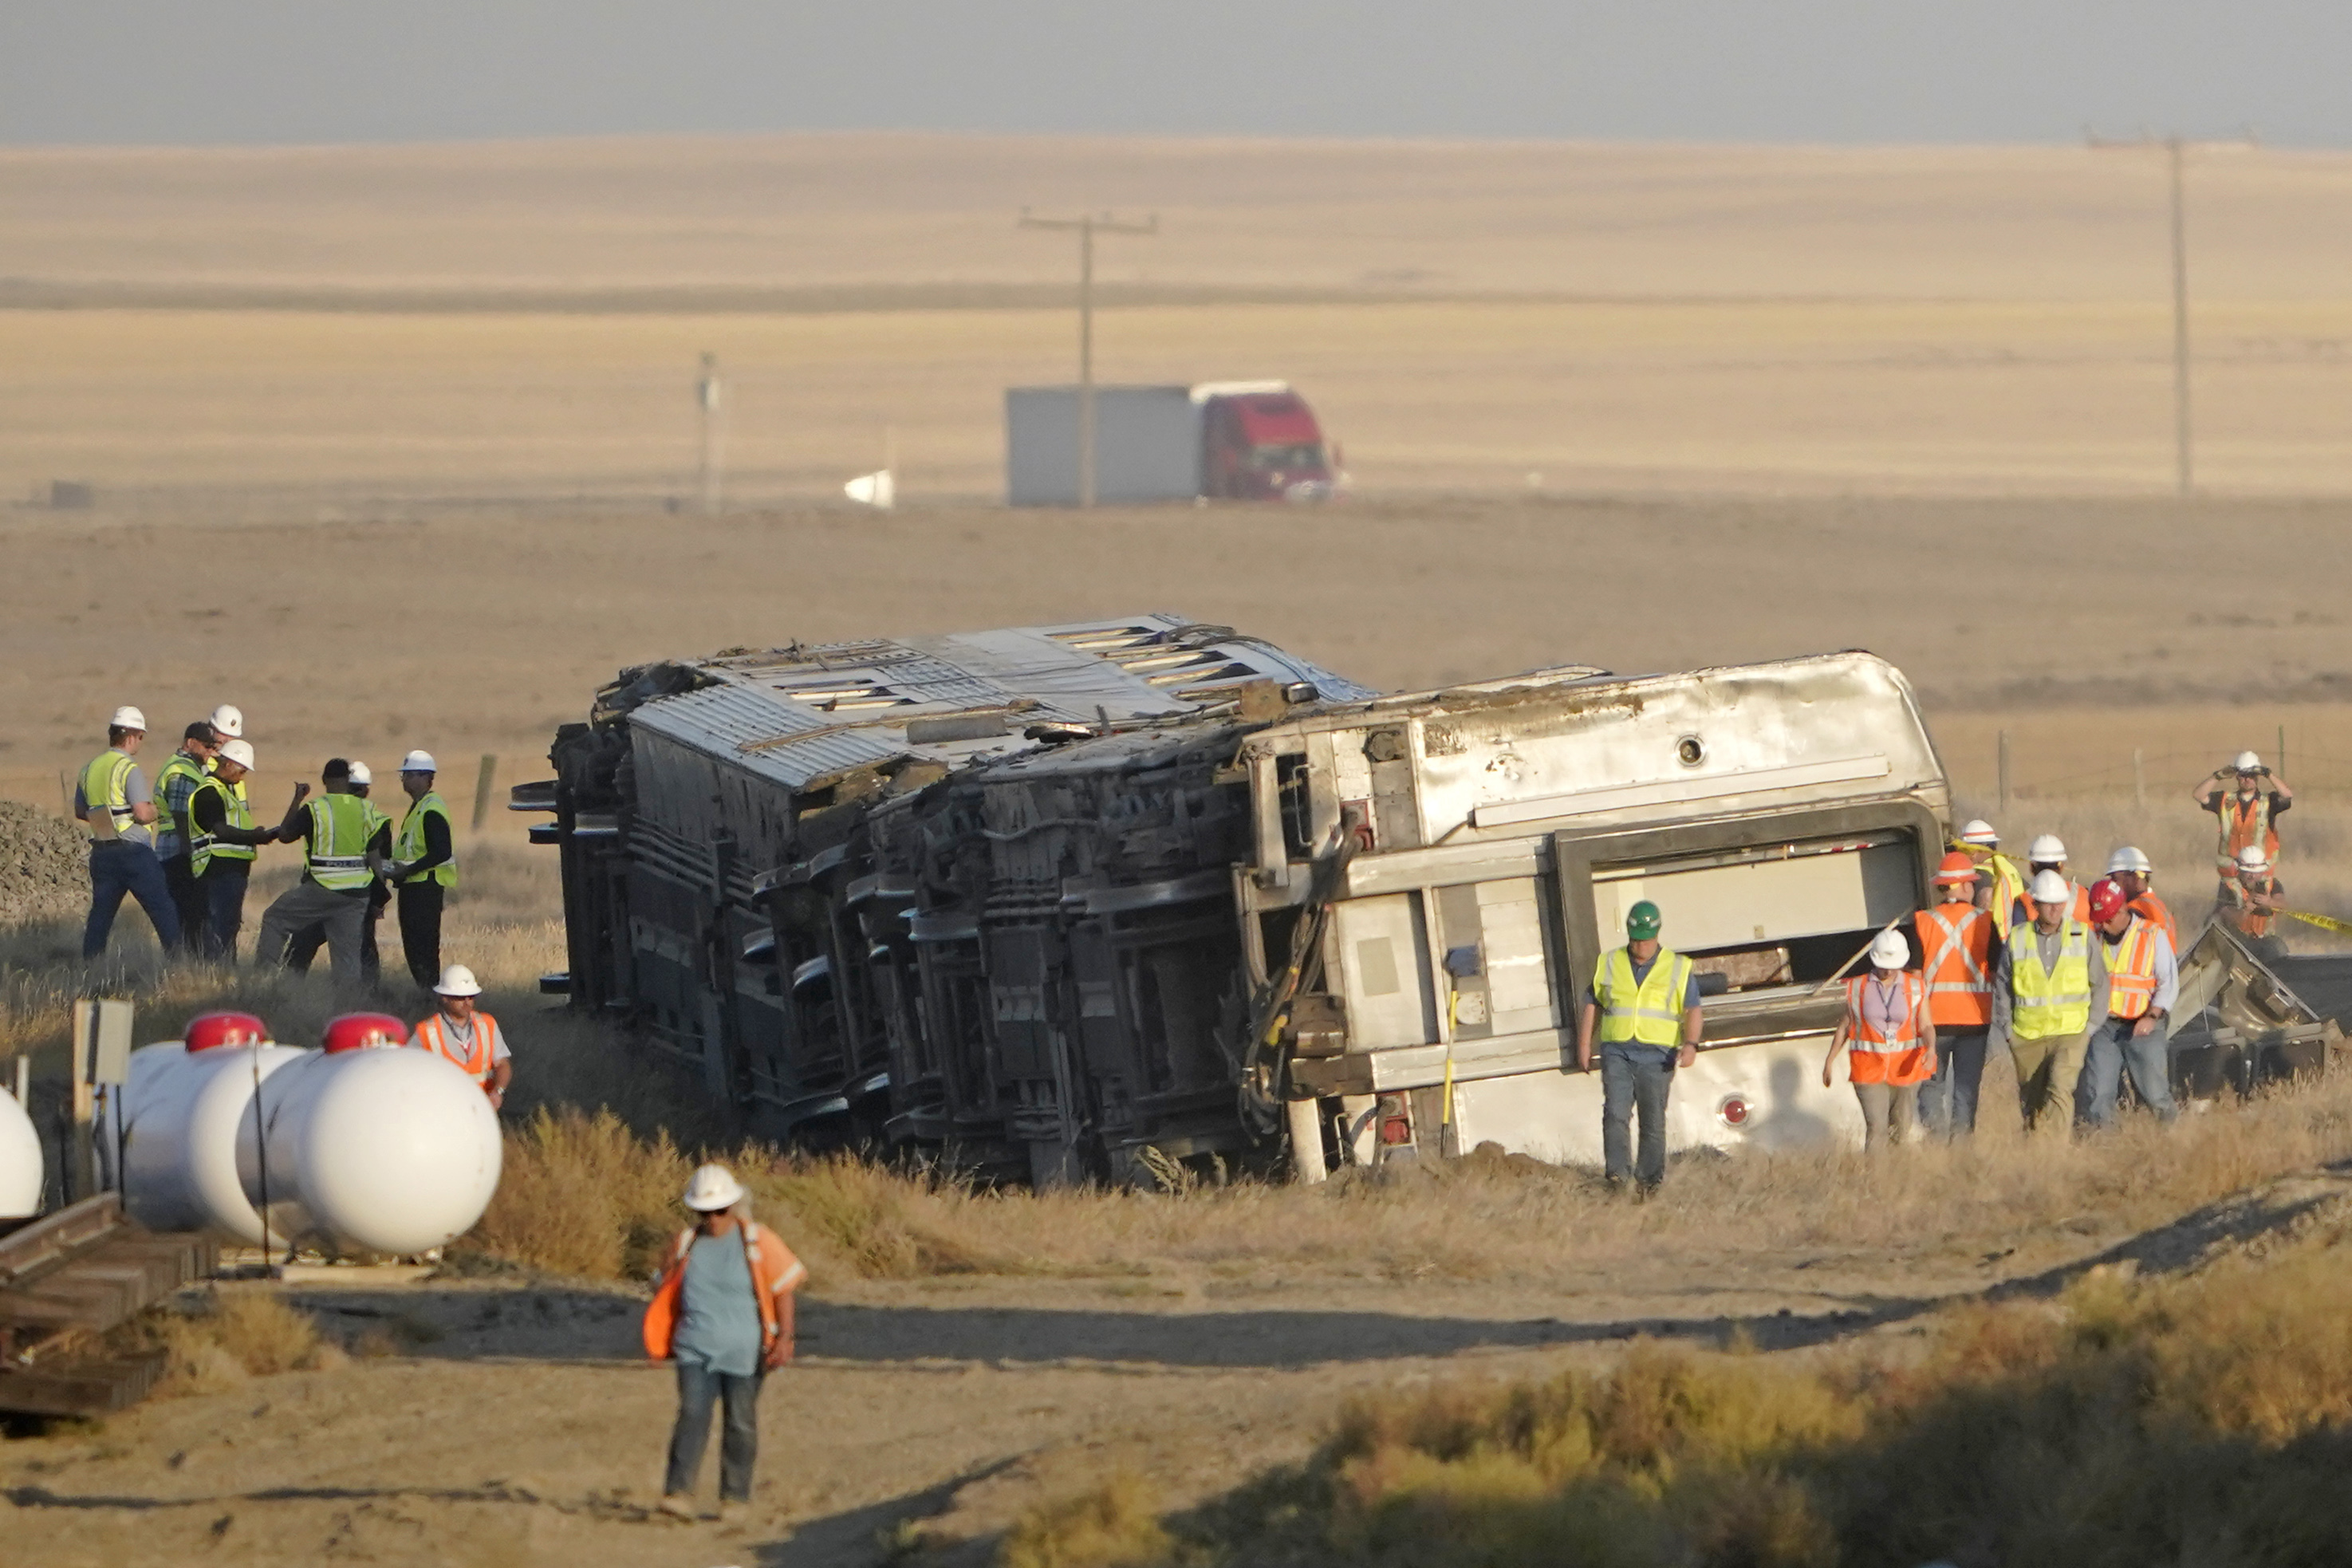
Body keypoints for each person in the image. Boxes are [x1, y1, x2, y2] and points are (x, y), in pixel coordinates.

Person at [642, 1164, 806, 1523]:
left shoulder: (759, 1240)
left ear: (732, 1206)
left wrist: (785, 1338)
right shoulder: (684, 1243)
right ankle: (678, 1494)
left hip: (746, 1353)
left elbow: (784, 1287)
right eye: (704, 1212)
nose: (713, 1218)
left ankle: (734, 1499)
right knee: (692, 1415)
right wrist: (659, 1338)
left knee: (740, 1423)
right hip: (693, 1348)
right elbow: (661, 1288)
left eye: (719, 1210)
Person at [1574, 900, 1703, 1193]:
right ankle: (1617, 1177)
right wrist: (1584, 1045)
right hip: (1617, 1050)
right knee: (1616, 1113)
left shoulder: (1678, 967)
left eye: (1644, 940)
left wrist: (1691, 1044)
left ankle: (1648, 1182)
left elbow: (1692, 1009)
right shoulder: (1609, 962)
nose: (1639, 945)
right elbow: (1592, 1003)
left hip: (1658, 1055)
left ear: (1656, 935)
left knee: (1652, 1119)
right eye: (1634, 939)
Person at [1990, 869, 2107, 1133]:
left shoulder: (2082, 936)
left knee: (2060, 1088)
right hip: (2027, 1036)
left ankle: (2056, 1156)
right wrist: (2008, 1031)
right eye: (2048, 903)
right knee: (2032, 1105)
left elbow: (2100, 984)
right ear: (2035, 905)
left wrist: (2089, 1029)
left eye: (2059, 904)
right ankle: (2036, 1157)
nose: (2055, 910)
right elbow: (2003, 987)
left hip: (2071, 1033)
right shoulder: (2017, 939)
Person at [252, 758, 387, 987]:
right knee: (347, 961)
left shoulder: (315, 809)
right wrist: (380, 896)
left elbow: (284, 835)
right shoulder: (367, 810)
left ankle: (262, 982)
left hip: (322, 889)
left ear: (324, 780)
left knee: (274, 919)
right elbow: (375, 857)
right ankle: (350, 1008)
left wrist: (297, 799)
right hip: (357, 896)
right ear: (348, 780)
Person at [75, 705, 181, 959]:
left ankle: (92, 967)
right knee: (163, 910)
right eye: (142, 736)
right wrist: (160, 810)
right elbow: (143, 814)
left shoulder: (89, 768)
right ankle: (180, 966)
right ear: (133, 736)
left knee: (100, 917)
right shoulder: (128, 768)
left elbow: (81, 810)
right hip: (133, 853)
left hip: (102, 852)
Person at [2078, 876, 2179, 1130]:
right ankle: (2106, 1152)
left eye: (2109, 921)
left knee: (2155, 1094)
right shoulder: (2094, 939)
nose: (2105, 927)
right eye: (2100, 922)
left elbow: (2168, 983)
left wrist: (2152, 1017)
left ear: (2123, 910)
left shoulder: (2151, 935)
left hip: (2143, 1026)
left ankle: (2171, 1144)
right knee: (2099, 1096)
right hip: (2105, 1027)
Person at [1822, 928, 1936, 1151]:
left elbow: (1926, 1025)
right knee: (1877, 1128)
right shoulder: (1857, 987)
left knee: (1901, 1129)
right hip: (1868, 1070)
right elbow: (1846, 1025)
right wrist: (1829, 1061)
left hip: (1907, 1069)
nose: (1888, 971)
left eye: (1893, 966)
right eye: (1884, 965)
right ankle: (1874, 1180)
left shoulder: (1915, 986)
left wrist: (1931, 1048)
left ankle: (1896, 1179)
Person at [1915, 853, 1994, 1137]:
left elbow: (1912, 977)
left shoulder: (1922, 922)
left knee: (1931, 1088)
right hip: (1975, 1021)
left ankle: (1936, 1145)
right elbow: (1998, 970)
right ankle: (1961, 1151)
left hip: (1932, 1023)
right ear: (1961, 886)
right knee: (1966, 1090)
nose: (1974, 888)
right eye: (1971, 883)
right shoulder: (1986, 921)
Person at [185, 739, 284, 961]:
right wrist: (255, 837)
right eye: (242, 770)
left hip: (231, 871)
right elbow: (221, 831)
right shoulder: (209, 793)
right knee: (219, 927)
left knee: (228, 927)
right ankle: (216, 974)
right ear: (228, 764)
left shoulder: (226, 793)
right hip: (217, 870)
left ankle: (224, 973)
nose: (243, 776)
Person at [385, 750, 457, 990]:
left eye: (408, 775)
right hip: (413, 886)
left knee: (422, 947)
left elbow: (441, 851)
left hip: (425, 886)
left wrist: (408, 871)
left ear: (425, 777)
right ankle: (427, 993)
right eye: (403, 775)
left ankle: (431, 994)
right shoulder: (419, 806)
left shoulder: (431, 809)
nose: (404, 781)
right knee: (414, 947)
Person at [152, 721, 219, 953]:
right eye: (207, 746)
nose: (211, 753)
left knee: (189, 916)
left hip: (177, 851)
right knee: (189, 915)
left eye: (214, 747)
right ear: (191, 743)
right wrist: (190, 853)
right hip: (178, 853)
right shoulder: (181, 771)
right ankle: (187, 965)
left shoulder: (189, 768)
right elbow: (181, 815)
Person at [406, 963, 513, 1107]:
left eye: (471, 997)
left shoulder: (487, 1024)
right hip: (446, 1112)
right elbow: (409, 1075)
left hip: (482, 1108)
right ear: (445, 998)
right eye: (460, 998)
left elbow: (502, 1064)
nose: (467, 1002)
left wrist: (498, 1092)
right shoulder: (426, 1032)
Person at [2194, 751, 2292, 885]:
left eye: (2252, 776)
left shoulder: (2269, 801)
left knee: (2269, 904)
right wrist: (2217, 776)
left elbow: (2287, 795)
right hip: (2232, 875)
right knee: (2227, 907)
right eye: (2243, 776)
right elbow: (2199, 795)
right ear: (2237, 777)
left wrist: (2269, 775)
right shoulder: (2224, 799)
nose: (2247, 780)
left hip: (2261, 874)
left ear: (2257, 777)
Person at [1955, 819, 2027, 935]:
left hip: (1996, 938)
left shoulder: (1981, 871)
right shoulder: (2008, 868)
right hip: (2016, 936)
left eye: (1962, 850)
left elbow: (1986, 896)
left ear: (1972, 852)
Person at [2216, 845, 2288, 958]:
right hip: (2237, 942)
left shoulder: (2272, 884)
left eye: (2257, 872)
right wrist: (2246, 910)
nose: (2252, 876)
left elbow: (2283, 906)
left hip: (2265, 939)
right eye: (2248, 872)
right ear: (2239, 870)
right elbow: (2228, 916)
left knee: (2278, 948)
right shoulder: (2229, 886)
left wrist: (2269, 903)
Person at [2104, 845, 2177, 951]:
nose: (2112, 885)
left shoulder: (2136, 910)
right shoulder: (2158, 906)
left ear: (2133, 877)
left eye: (2115, 879)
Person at [2008, 834, 2090, 928]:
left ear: (2032, 867)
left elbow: (2019, 937)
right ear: (2062, 866)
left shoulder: (2024, 900)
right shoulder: (2085, 894)